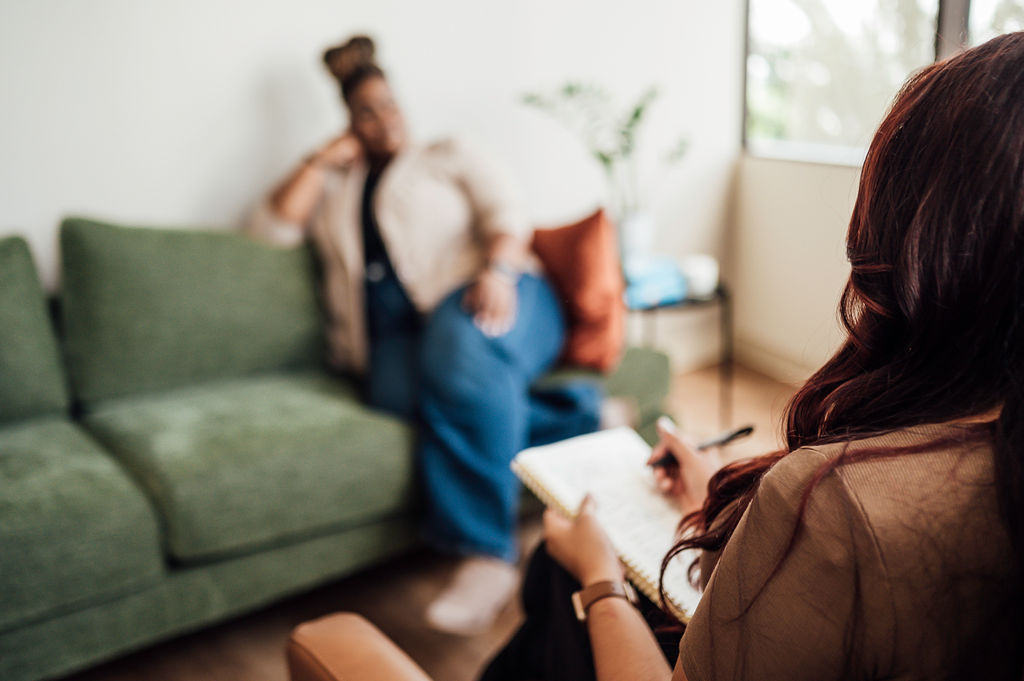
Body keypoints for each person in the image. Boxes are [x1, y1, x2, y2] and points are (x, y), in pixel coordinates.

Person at [483, 32, 1024, 681]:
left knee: (556, 573)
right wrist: (720, 489)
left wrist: (599, 577)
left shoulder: (836, 503)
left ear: (919, 242)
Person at [246, 35, 603, 635]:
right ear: (349, 123)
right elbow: (269, 232)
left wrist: (498, 270)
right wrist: (320, 159)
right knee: (391, 392)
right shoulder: (338, 195)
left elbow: (506, 213)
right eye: (366, 112)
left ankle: (485, 552)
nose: (383, 120)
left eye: (389, 106)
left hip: (503, 298)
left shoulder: (446, 154)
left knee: (455, 344)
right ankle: (578, 414)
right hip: (401, 346)